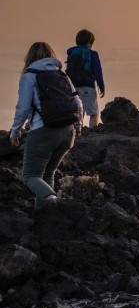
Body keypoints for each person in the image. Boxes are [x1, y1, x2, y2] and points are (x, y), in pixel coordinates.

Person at [10, 42, 83, 210]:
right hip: (67, 132)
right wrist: (78, 125)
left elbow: (23, 108)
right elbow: (78, 103)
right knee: (48, 174)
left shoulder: (29, 76)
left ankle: (54, 201)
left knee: (29, 176)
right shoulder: (61, 74)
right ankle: (44, 215)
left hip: (43, 131)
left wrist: (15, 132)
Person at [66, 28, 106, 128]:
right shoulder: (92, 54)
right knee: (94, 113)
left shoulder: (72, 53)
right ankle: (93, 132)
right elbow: (97, 71)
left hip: (73, 88)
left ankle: (78, 133)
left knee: (79, 111)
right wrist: (102, 87)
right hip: (88, 86)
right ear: (89, 43)